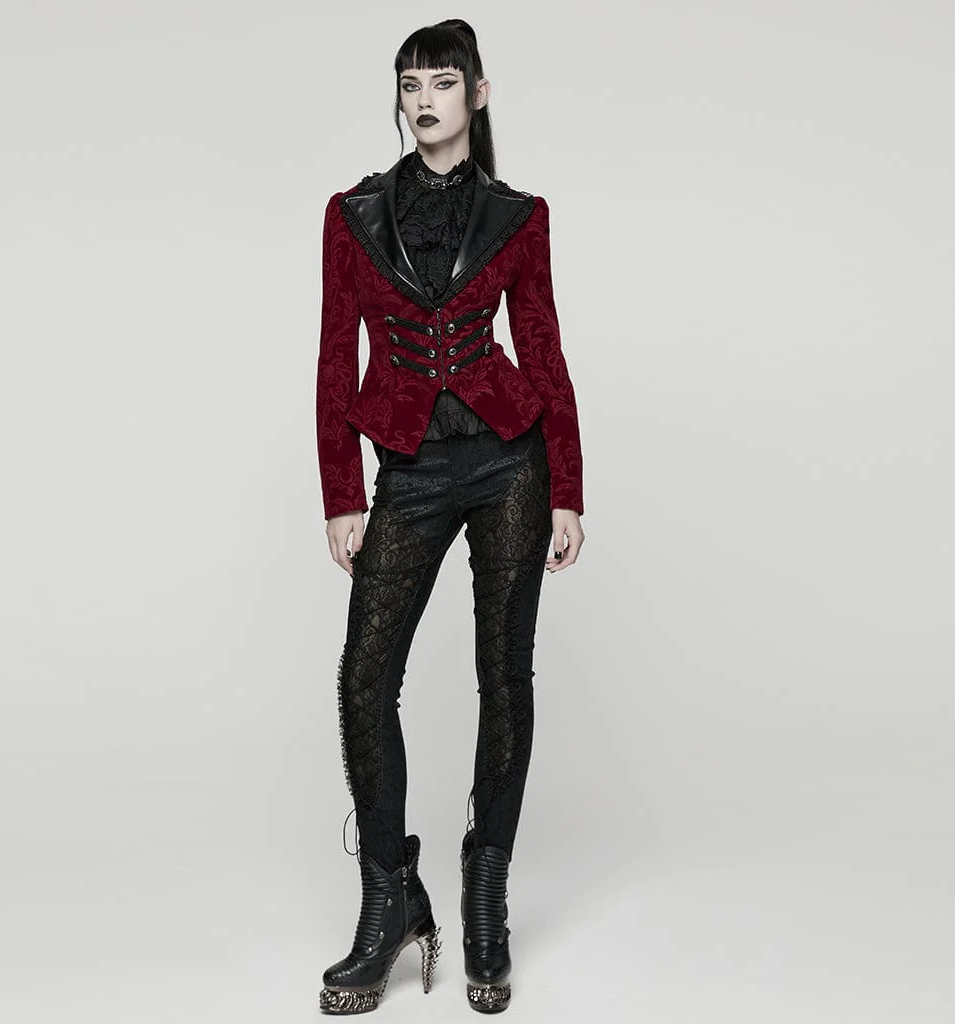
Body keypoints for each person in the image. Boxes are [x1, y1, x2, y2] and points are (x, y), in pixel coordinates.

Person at [315, 19, 585, 1016]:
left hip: (511, 460)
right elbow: (332, 354)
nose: (423, 99)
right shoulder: (353, 213)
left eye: (441, 82)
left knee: (503, 677)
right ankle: (389, 896)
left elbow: (543, 348)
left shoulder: (519, 215)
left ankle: (483, 890)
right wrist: (343, 492)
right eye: (409, 84)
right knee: (363, 679)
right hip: (411, 468)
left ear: (477, 94)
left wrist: (567, 486)